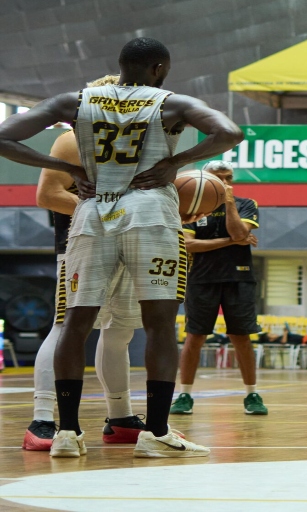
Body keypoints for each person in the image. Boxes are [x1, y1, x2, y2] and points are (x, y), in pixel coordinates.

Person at [0, 37, 243, 458]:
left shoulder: (75, 102)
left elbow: (4, 137)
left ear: (121, 64)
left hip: (93, 213)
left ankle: (67, 433)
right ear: (159, 69)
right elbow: (229, 132)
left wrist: (66, 168)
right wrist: (174, 162)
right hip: (150, 213)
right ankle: (156, 432)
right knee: (158, 324)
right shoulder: (171, 102)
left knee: (74, 323)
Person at [24, 76, 194, 450]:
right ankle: (43, 419)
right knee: (66, 326)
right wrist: (113, 214)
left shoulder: (145, 138)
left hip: (132, 241)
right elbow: (47, 194)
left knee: (120, 331)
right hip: (83, 242)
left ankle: (120, 416)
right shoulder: (72, 138)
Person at [171, 160, 267, 417]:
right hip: (201, 279)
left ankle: (252, 394)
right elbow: (188, 245)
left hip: (239, 278)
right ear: (206, 178)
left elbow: (240, 232)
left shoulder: (246, 204)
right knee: (195, 337)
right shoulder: (192, 208)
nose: (225, 182)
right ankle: (185, 395)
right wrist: (231, 241)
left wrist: (229, 203)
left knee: (241, 337)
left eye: (228, 177)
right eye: (218, 177)